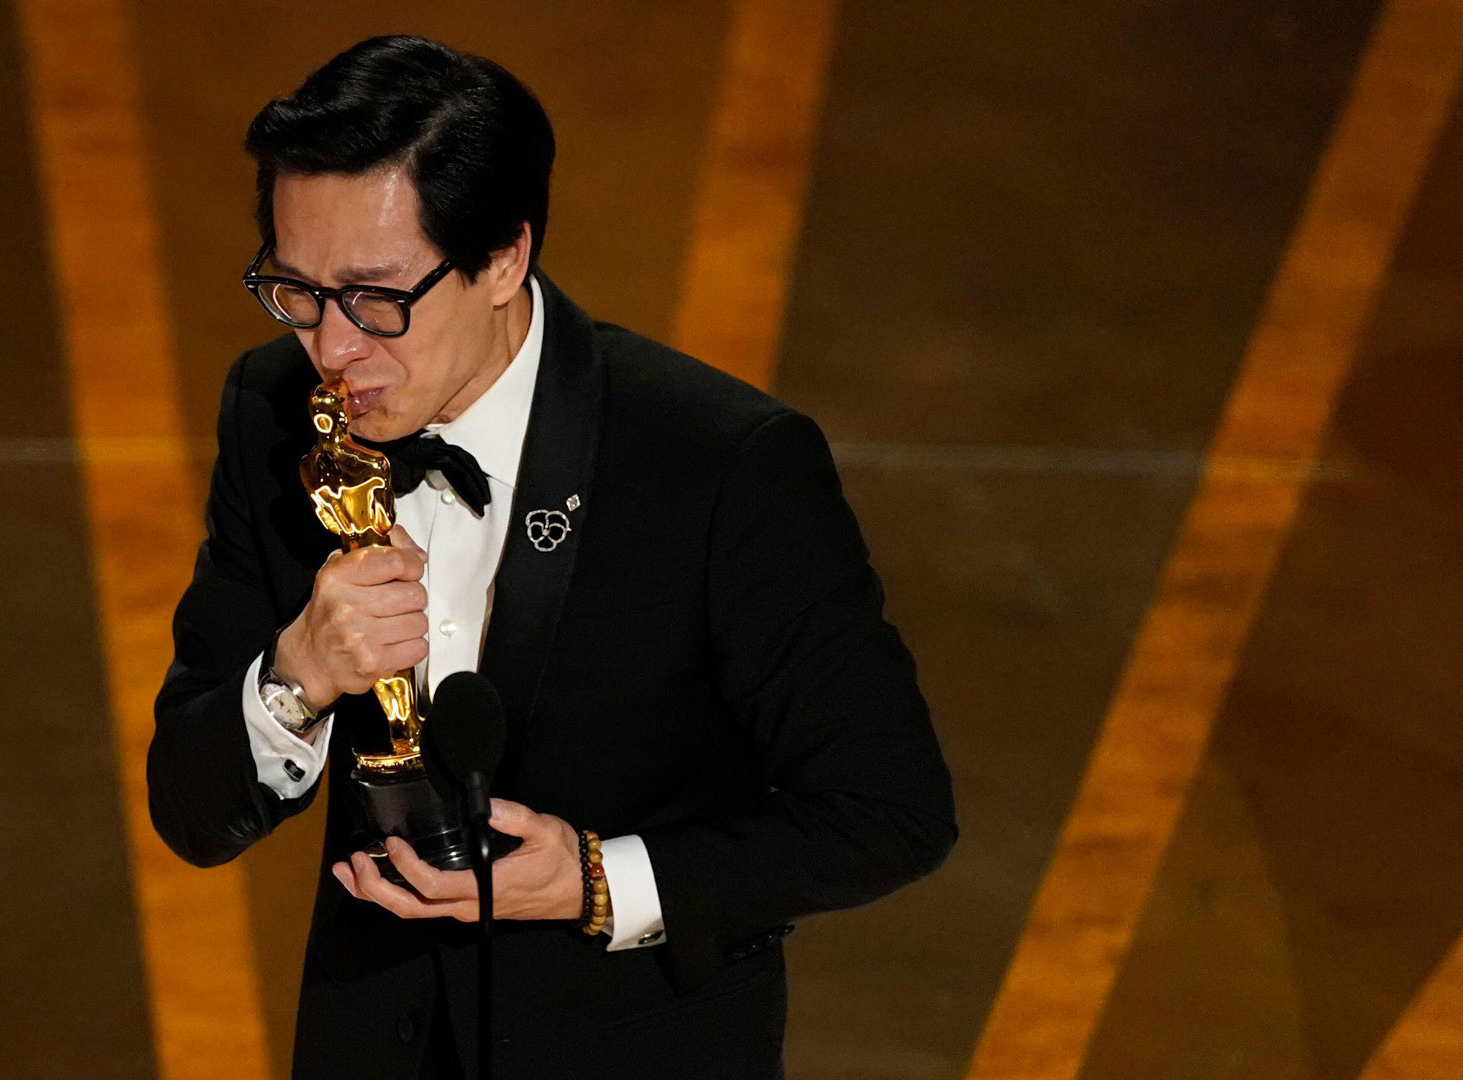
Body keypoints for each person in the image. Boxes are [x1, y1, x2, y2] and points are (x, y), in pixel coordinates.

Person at [148, 34, 957, 1080]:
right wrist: (295, 677)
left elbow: (889, 812)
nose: (334, 348)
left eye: (376, 298)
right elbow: (191, 808)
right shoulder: (274, 413)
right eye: (295, 291)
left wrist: (595, 881)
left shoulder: (717, 465)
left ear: (502, 259)